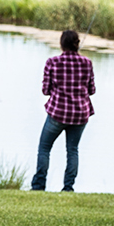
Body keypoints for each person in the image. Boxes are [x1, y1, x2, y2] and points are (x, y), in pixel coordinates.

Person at [33, 30, 95, 191]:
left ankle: (39, 186)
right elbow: (92, 90)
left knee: (44, 148)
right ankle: (68, 188)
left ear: (61, 44)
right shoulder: (87, 63)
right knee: (72, 150)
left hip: (57, 114)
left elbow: (45, 90)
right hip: (80, 114)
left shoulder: (52, 62)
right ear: (77, 44)